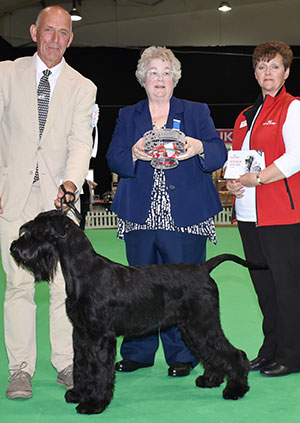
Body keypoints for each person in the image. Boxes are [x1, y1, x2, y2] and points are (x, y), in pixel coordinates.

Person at [106, 46, 227, 377]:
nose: (159, 79)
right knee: (138, 288)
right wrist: (131, 152)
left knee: (182, 288)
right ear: (143, 79)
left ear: (175, 78)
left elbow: (217, 154)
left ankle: (183, 355)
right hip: (139, 215)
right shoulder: (128, 115)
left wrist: (200, 146)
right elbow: (113, 158)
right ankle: (138, 352)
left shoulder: (196, 111)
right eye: (153, 72)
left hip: (185, 214)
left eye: (166, 72)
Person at [0, 5, 97, 399]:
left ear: (70, 39)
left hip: (59, 203)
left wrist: (71, 184)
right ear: (34, 32)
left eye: (62, 33)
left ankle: (67, 362)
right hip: (13, 196)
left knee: (63, 287)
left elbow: (80, 142)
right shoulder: (6, 73)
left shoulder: (83, 86)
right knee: (19, 285)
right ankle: (20, 369)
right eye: (48, 31)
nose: (54, 39)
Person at [226, 41, 300, 377]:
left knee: (287, 288)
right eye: (261, 67)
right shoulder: (244, 117)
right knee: (264, 290)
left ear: (286, 72)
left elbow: (294, 158)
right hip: (248, 215)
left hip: (282, 215)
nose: (266, 73)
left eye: (274, 67)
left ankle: (292, 353)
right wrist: (235, 182)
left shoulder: (293, 108)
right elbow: (238, 162)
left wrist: (257, 178)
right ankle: (270, 349)